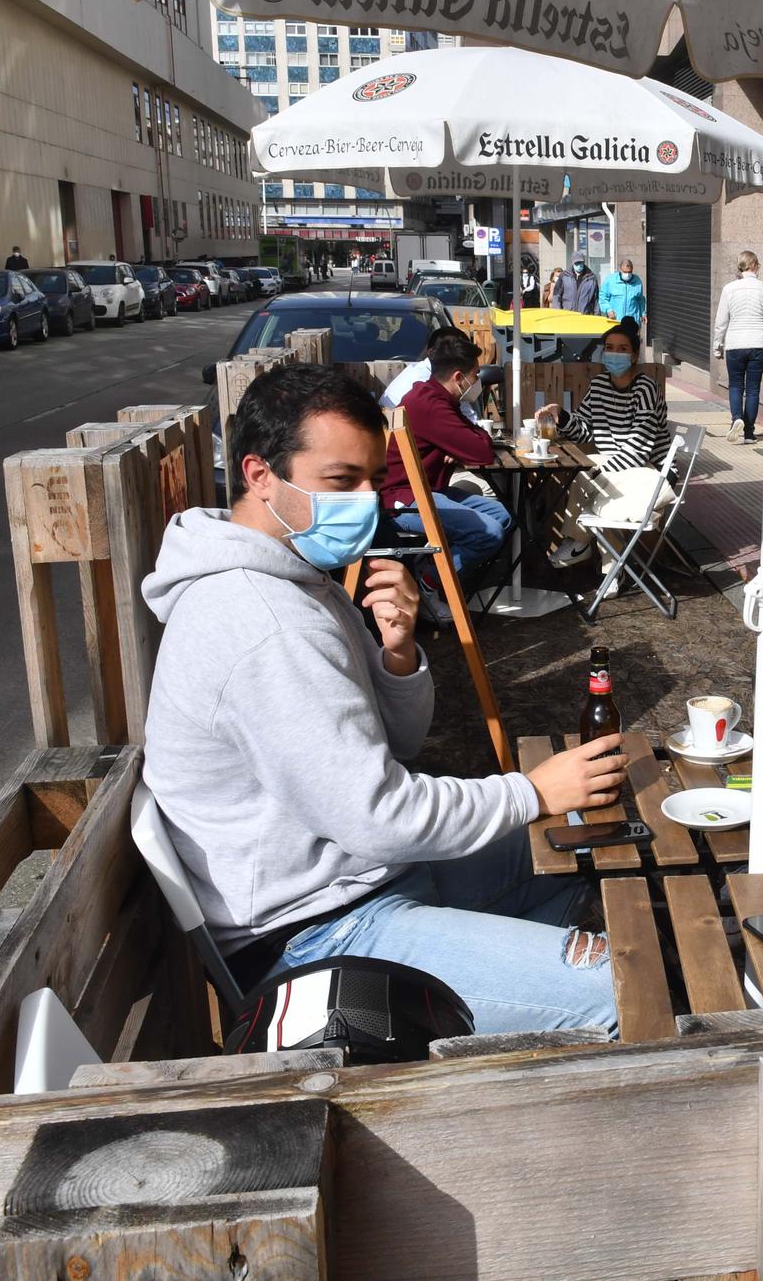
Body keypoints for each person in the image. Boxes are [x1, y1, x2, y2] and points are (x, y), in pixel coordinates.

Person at [140, 363, 620, 1037]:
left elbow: (394, 748)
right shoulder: (260, 621)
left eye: (372, 479)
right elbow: (378, 813)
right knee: (627, 987)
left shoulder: (299, 579)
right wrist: (530, 792)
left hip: (368, 880)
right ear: (259, 475)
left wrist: (396, 656)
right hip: (316, 939)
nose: (367, 502)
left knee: (591, 844)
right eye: (341, 482)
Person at [380, 328, 513, 607]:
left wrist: (463, 442)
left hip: (429, 489)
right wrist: (461, 443)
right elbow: (482, 449)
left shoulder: (437, 396)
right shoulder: (431, 405)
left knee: (501, 515)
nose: (477, 381)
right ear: (457, 377)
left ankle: (432, 563)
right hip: (405, 498)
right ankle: (429, 579)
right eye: (475, 375)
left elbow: (477, 439)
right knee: (488, 533)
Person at [541, 320, 670, 574]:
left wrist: (601, 470)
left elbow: (640, 446)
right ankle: (611, 571)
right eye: (609, 347)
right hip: (616, 464)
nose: (614, 353)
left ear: (634, 356)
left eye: (622, 349)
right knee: (586, 478)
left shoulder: (645, 388)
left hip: (648, 467)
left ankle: (579, 543)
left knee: (591, 481)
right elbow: (583, 430)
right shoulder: (599, 386)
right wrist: (562, 416)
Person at [713, 250, 763, 445]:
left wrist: (717, 345)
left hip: (736, 343)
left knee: (736, 385)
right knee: (753, 389)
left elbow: (721, 321)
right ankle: (749, 433)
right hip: (758, 343)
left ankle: (736, 417)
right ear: (754, 265)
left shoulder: (729, 289)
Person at [599, 258, 646, 327]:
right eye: (625, 272)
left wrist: (643, 314)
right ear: (620, 270)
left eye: (629, 272)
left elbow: (640, 299)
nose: (627, 274)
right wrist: (608, 310)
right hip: (616, 321)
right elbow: (603, 297)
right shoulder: (610, 280)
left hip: (632, 322)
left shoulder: (637, 281)